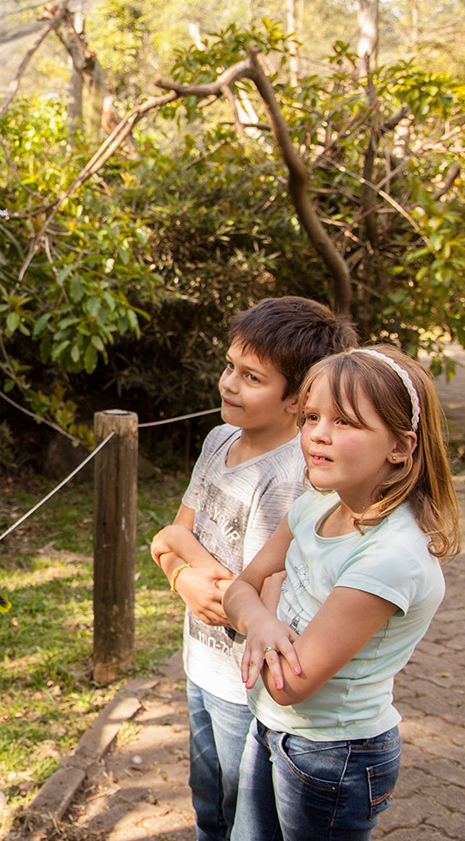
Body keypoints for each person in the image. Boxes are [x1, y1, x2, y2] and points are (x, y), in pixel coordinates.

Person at [223, 346, 461, 841]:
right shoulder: (318, 503)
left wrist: (263, 604)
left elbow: (290, 684)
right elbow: (243, 586)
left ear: (400, 446)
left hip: (333, 756)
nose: (318, 435)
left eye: (346, 422)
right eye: (311, 417)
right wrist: (265, 620)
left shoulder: (389, 556)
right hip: (270, 727)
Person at [150, 297, 357, 841]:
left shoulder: (297, 477)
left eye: (252, 377)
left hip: (247, 686)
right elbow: (173, 536)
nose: (229, 384)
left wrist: (180, 554)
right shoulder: (218, 442)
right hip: (199, 662)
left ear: (298, 399)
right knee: (208, 803)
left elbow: (256, 605)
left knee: (244, 818)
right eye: (229, 367)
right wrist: (182, 573)